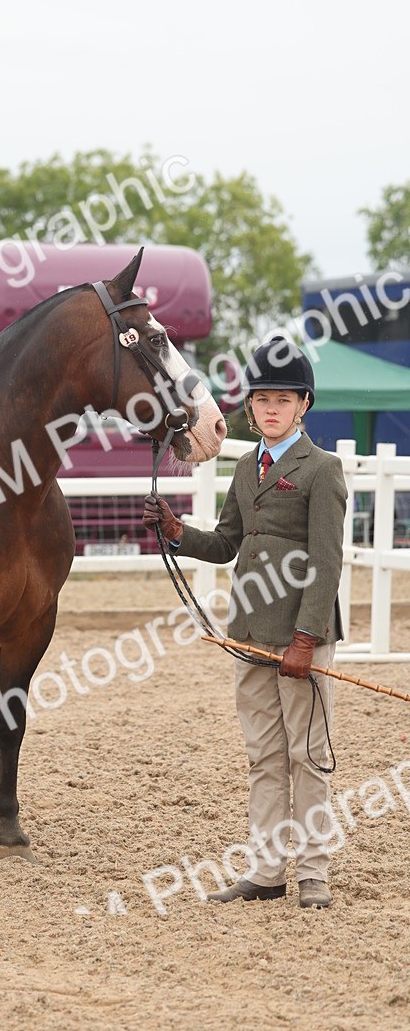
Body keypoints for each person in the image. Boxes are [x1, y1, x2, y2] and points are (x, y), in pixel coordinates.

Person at [144, 337, 347, 909]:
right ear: (251, 406)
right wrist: (179, 531)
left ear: (303, 404)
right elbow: (230, 542)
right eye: (261, 399)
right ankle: (266, 869)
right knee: (263, 755)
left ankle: (312, 872)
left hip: (300, 638)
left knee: (307, 755)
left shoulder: (322, 470)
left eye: (282, 398)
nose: (270, 408)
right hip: (249, 635)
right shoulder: (242, 466)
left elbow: (327, 562)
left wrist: (307, 638)